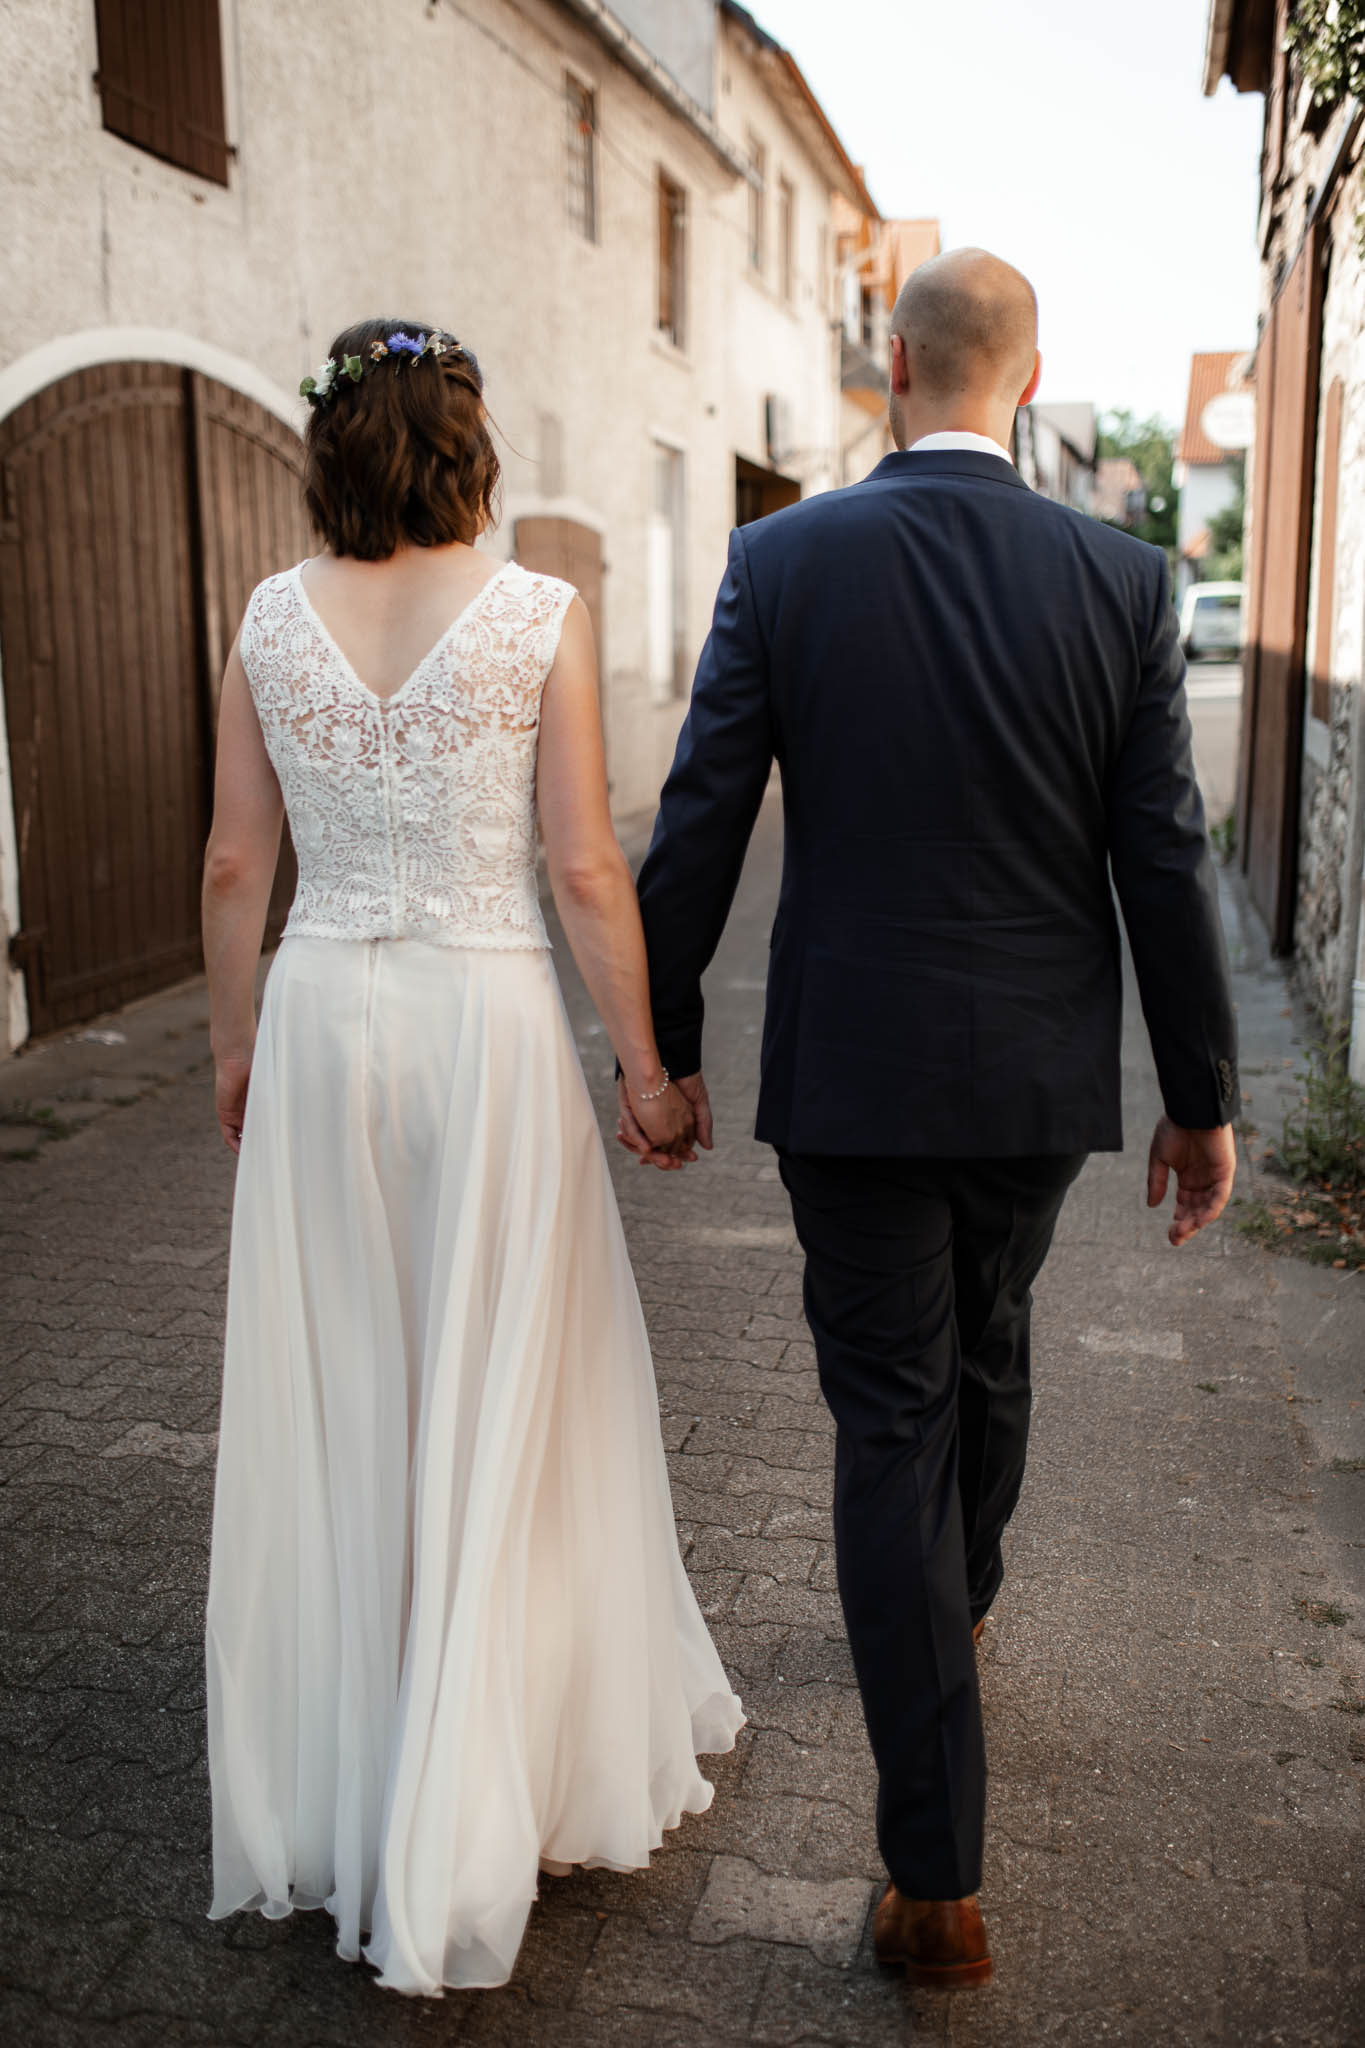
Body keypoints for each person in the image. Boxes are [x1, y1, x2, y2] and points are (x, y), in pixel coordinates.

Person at [619, 249, 1239, 1990]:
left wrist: (656, 1052)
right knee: (992, 1332)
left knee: (889, 1414)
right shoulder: (1123, 580)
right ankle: (956, 1602)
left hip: (854, 1077)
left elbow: (699, 821)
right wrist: (1198, 1099)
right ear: (1026, 384)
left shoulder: (782, 559)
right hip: (1038, 1076)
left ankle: (935, 1878)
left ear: (892, 367)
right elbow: (1162, 860)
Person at [200, 318, 743, 1996]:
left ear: (332, 447)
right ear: (465, 444)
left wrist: (234, 1053)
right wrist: (646, 1072)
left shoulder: (267, 620)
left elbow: (233, 865)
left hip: (319, 1026)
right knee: (504, 1380)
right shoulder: (536, 616)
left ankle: (346, 1768)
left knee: (346, 1385)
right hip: (486, 1032)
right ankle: (486, 1769)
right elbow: (586, 872)